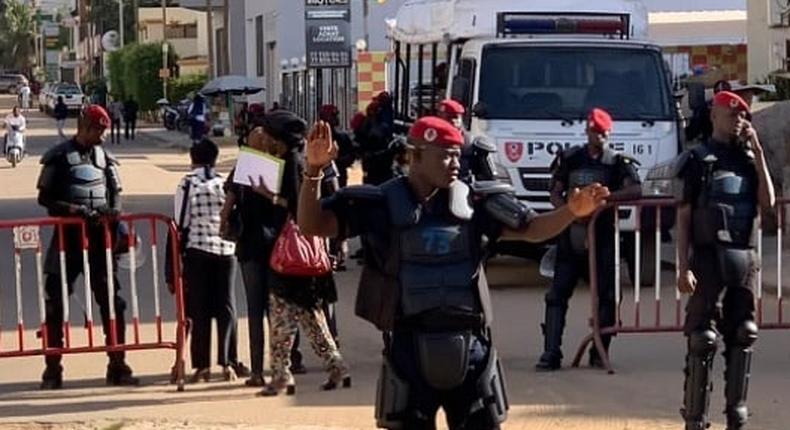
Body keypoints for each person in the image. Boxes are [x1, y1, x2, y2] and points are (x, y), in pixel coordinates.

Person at [298, 116, 610, 429]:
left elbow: (531, 230)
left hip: (471, 347)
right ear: (415, 156)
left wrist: (571, 211)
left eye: (457, 153)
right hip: (409, 347)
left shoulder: (476, 204)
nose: (455, 162)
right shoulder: (380, 205)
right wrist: (313, 171)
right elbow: (313, 225)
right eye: (445, 154)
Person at [676, 91, 775, 430]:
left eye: (741, 117)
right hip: (706, 260)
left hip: (744, 260)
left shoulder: (749, 159)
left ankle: (737, 417)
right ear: (715, 116)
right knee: (702, 338)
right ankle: (695, 420)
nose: (737, 121)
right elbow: (685, 217)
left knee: (744, 335)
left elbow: (768, 203)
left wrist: (758, 150)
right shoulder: (698, 160)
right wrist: (682, 266)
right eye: (730, 115)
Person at [241, 110, 349, 397]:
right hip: (306, 250)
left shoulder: (291, 163)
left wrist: (267, 194)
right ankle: (332, 367)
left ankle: (281, 375)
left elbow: (293, 205)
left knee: (281, 317)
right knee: (308, 316)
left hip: (290, 251)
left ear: (278, 139)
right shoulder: (303, 158)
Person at [36, 105, 138, 389]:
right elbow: (45, 198)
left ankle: (118, 364)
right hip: (66, 238)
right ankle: (52, 369)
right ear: (85, 128)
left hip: (99, 241)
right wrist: (76, 210)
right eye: (99, 130)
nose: (103, 135)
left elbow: (116, 193)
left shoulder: (105, 158)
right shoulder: (58, 157)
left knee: (113, 303)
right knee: (55, 302)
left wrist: (112, 212)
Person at [534, 108, 642, 371]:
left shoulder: (616, 162)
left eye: (604, 132)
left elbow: (636, 189)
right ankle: (551, 353)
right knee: (557, 295)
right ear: (587, 131)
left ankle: (599, 350)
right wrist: (568, 211)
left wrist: (604, 200)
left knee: (608, 297)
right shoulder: (571, 158)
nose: (599, 136)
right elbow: (555, 190)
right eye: (595, 131)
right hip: (571, 236)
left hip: (603, 236)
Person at [171, 138, 248, 383]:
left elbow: (181, 220)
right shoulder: (222, 184)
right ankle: (227, 362)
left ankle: (202, 366)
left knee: (199, 308)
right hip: (226, 251)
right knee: (226, 306)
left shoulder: (188, 183)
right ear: (215, 159)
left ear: (192, 159)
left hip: (198, 250)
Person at [436, 99, 497, 183]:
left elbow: (489, 178)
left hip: (464, 190)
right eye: (446, 118)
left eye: (455, 117)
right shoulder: (429, 142)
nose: (452, 121)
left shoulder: (473, 144)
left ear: (461, 119)